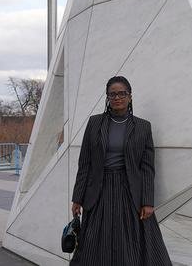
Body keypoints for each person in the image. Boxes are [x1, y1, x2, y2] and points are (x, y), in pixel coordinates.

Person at [70, 76, 171, 266]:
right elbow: (85, 163)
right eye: (112, 94)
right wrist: (78, 197)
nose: (117, 97)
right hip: (98, 191)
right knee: (94, 241)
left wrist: (148, 201)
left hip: (129, 191)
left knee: (131, 241)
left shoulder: (143, 127)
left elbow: (147, 168)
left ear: (130, 96)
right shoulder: (94, 123)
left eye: (122, 93)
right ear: (107, 98)